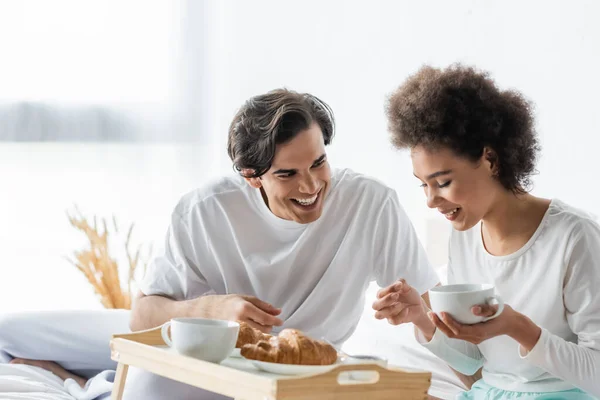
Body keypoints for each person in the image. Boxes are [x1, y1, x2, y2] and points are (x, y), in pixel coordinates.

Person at [0, 88, 440, 400]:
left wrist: (415, 314)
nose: (311, 186)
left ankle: (82, 380)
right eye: (287, 174)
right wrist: (212, 308)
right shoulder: (205, 210)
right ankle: (80, 383)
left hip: (297, 377)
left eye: (319, 162)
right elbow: (143, 315)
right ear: (251, 178)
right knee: (12, 336)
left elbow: (433, 315)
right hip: (206, 358)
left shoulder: (371, 203)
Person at [372, 64, 600, 399]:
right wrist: (420, 317)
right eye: (423, 185)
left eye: (443, 182)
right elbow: (473, 361)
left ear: (490, 159)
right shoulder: (464, 235)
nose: (431, 200)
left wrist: (518, 328)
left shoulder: (574, 238)